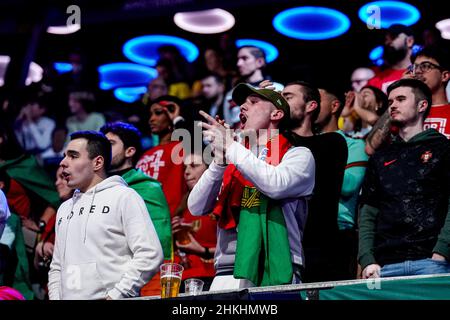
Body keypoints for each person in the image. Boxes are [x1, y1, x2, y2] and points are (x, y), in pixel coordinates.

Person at [188, 84, 315, 290]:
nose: (242, 108)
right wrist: (219, 161)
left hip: (275, 265)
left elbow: (275, 185)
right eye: (242, 104)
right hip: (225, 270)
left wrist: (231, 146)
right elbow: (196, 206)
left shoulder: (299, 155)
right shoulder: (233, 158)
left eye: (253, 102)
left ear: (277, 113)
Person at [48, 131, 163, 300]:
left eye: (73, 156)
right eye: (65, 156)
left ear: (97, 162)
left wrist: (116, 295)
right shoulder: (64, 209)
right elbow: (57, 266)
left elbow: (150, 254)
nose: (63, 162)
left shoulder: (124, 197)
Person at [359, 79, 450, 279]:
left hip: (432, 263)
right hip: (383, 266)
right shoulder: (380, 156)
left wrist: (442, 251)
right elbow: (368, 211)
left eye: (400, 99)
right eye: (390, 101)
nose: (393, 105)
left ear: (422, 105)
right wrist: (367, 259)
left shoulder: (444, 149)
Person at [279, 81, 348, 282]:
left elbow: (304, 156)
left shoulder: (332, 143)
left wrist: (272, 117)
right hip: (283, 248)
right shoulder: (276, 141)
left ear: (311, 106)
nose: (281, 102)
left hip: (321, 250)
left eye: (288, 97)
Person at [316, 87, 369, 279]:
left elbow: (348, 186)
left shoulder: (354, 144)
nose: (310, 104)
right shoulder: (296, 144)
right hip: (300, 232)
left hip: (337, 233)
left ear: (334, 106)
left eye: (317, 99)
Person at [100, 122, 172, 261]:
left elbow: (160, 239)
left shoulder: (147, 188)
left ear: (129, 151)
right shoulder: (96, 188)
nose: (103, 150)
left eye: (110, 143)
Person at [365, 45, 450, 155]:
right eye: (415, 67)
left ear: (444, 76)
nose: (418, 71)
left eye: (425, 66)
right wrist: (401, 89)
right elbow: (371, 148)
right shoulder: (405, 112)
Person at [172, 150, 217, 292]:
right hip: (182, 279)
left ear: (210, 169)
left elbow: (237, 249)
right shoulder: (184, 204)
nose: (186, 172)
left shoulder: (220, 200)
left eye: (194, 165)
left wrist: (203, 250)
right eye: (185, 167)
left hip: (211, 278)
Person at [136, 96, 188, 217]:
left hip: (169, 222)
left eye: (158, 113)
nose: (151, 119)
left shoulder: (181, 147)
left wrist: (177, 119)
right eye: (151, 114)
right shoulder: (144, 154)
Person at [368, 24, 415, 93]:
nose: (388, 42)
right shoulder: (375, 81)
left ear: (409, 41)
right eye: (386, 39)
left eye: (393, 37)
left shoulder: (421, 74)